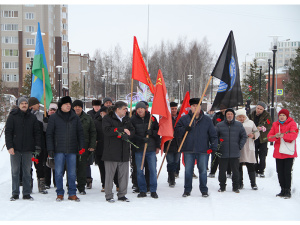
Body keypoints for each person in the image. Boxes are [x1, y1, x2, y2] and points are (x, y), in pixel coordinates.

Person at [175, 98, 217, 197]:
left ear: (200, 107)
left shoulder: (207, 120)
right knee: (188, 170)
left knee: (202, 170)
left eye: (197, 106)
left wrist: (213, 145)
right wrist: (184, 129)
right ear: (191, 107)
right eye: (193, 106)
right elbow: (176, 131)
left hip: (203, 149)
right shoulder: (184, 119)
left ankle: (204, 190)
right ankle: (187, 190)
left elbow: (213, 134)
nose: (195, 108)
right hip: (188, 149)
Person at [46, 96, 85, 202]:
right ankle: (59, 193)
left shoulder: (75, 117)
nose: (68, 105)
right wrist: (50, 149)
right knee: (58, 172)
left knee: (72, 173)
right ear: (61, 106)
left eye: (69, 104)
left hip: (72, 149)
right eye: (66, 104)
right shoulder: (54, 117)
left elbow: (80, 133)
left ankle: (72, 193)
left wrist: (81, 146)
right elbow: (49, 134)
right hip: (58, 150)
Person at [5, 97, 41, 201]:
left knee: (27, 172)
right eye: (22, 103)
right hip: (15, 149)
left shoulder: (32, 117)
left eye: (26, 103)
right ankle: (15, 193)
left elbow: (37, 133)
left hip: (28, 149)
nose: (24, 105)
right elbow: (8, 132)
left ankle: (26, 193)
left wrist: (37, 146)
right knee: (15, 171)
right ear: (19, 105)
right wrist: (9, 146)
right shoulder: (12, 116)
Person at [102, 101, 135, 203]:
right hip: (111, 152)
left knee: (123, 175)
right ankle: (109, 195)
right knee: (109, 176)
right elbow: (107, 130)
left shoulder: (127, 119)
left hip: (124, 152)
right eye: (124, 108)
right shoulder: (107, 118)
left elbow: (132, 130)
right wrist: (122, 130)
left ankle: (122, 195)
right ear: (118, 109)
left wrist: (128, 135)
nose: (126, 110)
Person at [130, 101, 160, 198]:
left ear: (145, 109)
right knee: (139, 170)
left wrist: (151, 133)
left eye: (142, 108)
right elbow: (131, 134)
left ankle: (153, 190)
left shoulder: (152, 118)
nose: (140, 110)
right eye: (138, 108)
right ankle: (142, 190)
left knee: (152, 170)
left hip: (150, 149)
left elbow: (158, 132)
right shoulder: (133, 119)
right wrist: (141, 139)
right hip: (139, 149)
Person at [267, 109, 298, 199]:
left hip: (289, 153)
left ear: (287, 116)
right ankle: (282, 189)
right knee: (280, 172)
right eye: (280, 115)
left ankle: (288, 190)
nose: (281, 117)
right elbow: (269, 137)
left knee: (287, 172)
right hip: (279, 152)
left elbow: (294, 136)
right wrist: (276, 137)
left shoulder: (292, 124)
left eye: (283, 115)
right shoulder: (275, 124)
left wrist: (283, 135)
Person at [216, 108, 248, 193]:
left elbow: (244, 136)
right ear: (225, 115)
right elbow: (215, 137)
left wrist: (239, 146)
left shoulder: (239, 125)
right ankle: (222, 186)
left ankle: (235, 187)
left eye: (231, 114)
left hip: (235, 152)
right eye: (228, 114)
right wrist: (217, 147)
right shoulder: (219, 125)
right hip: (223, 152)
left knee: (235, 171)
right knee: (222, 170)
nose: (229, 115)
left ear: (233, 116)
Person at [73, 100, 97, 195]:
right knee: (71, 168)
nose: (77, 108)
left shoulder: (88, 118)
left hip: (84, 146)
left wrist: (92, 145)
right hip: (71, 146)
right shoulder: (69, 117)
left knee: (82, 167)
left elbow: (93, 132)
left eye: (79, 106)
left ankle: (81, 187)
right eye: (76, 106)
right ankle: (70, 185)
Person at [94, 106, 119, 192]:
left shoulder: (113, 121)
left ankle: (117, 184)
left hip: (111, 147)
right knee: (102, 168)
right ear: (101, 113)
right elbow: (94, 133)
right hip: (100, 147)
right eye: (104, 112)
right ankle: (104, 184)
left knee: (114, 167)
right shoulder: (96, 122)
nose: (105, 114)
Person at [235, 109, 259, 190]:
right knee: (238, 165)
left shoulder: (250, 122)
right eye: (239, 117)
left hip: (249, 146)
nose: (241, 118)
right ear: (236, 117)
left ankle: (253, 183)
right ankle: (239, 183)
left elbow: (257, 132)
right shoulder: (234, 123)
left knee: (250, 165)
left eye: (243, 117)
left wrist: (253, 135)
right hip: (238, 147)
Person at [28, 97, 48, 194]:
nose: (39, 105)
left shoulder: (41, 115)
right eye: (37, 104)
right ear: (32, 105)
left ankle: (41, 184)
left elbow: (45, 130)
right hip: (28, 145)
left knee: (39, 165)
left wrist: (46, 121)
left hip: (39, 144)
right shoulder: (26, 115)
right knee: (28, 166)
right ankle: (29, 184)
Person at [248, 101, 272, 178]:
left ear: (263, 110)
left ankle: (261, 170)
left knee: (262, 154)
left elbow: (269, 124)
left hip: (263, 138)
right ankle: (255, 169)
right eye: (258, 108)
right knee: (254, 154)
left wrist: (262, 128)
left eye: (261, 109)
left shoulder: (267, 115)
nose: (258, 110)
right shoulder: (251, 115)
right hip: (254, 138)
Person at [164, 102, 180, 187]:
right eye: (172, 108)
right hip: (168, 144)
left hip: (178, 144)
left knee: (176, 162)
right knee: (170, 162)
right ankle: (172, 179)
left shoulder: (180, 117)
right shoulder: (166, 118)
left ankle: (171, 175)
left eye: (175, 108)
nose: (174, 110)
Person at [208, 107, 227, 178]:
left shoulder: (229, 114)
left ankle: (228, 172)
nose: (222, 108)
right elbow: (212, 125)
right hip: (217, 138)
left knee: (227, 156)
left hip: (227, 138)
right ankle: (212, 171)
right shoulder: (217, 115)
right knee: (215, 155)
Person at [44, 103, 57, 189]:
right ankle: (47, 182)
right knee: (46, 164)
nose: (52, 111)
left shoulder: (58, 119)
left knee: (56, 164)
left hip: (56, 144)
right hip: (45, 145)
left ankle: (56, 182)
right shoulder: (44, 119)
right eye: (51, 110)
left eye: (54, 110)